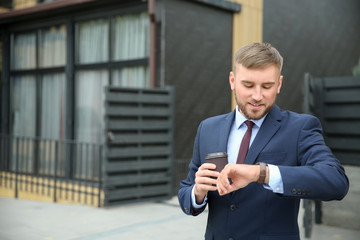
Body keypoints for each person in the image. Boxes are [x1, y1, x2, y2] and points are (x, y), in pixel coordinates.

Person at [178, 42, 349, 240]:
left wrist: (262, 173)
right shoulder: (207, 128)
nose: (257, 96)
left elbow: (336, 182)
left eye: (267, 86)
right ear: (232, 80)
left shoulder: (300, 128)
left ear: (279, 84)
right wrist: (197, 192)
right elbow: (186, 193)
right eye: (248, 85)